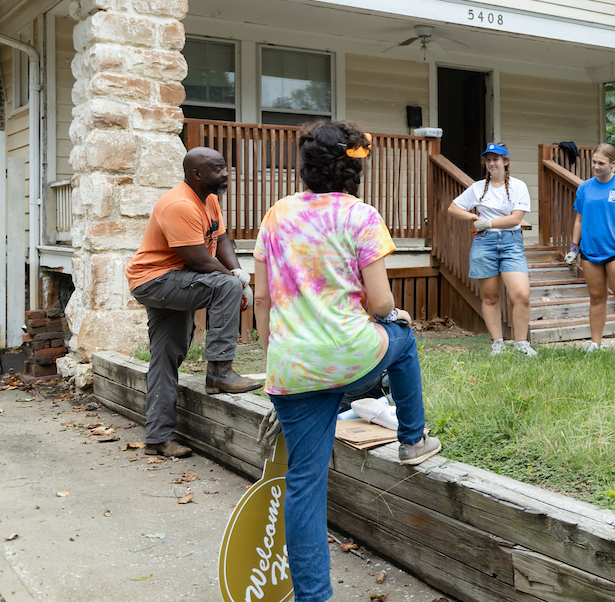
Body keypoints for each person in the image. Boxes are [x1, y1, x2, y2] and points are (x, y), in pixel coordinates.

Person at [254, 120, 440, 602]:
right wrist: (395, 314)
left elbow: (259, 297)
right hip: (353, 357)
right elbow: (380, 303)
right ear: (354, 169)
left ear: (307, 166)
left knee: (304, 484)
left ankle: (312, 597)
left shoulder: (276, 214)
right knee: (402, 335)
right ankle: (413, 438)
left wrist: (273, 352)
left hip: (292, 367)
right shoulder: (361, 216)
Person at [126, 147, 261, 459]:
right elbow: (200, 261)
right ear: (197, 175)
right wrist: (235, 284)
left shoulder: (209, 199)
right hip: (156, 280)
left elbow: (222, 240)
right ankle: (220, 372)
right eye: (218, 169)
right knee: (225, 286)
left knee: (166, 355)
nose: (225, 174)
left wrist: (238, 272)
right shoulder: (179, 204)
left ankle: (158, 438)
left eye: (225, 167)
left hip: (169, 279)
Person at [448, 142, 536, 356]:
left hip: (511, 242)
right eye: (488, 160)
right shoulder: (478, 187)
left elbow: (516, 218)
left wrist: (489, 223)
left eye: (495, 159)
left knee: (522, 295)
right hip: (484, 243)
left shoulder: (518, 186)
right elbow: (453, 208)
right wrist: (474, 217)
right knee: (490, 297)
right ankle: (497, 342)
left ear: (506, 161)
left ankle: (521, 343)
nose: (491, 163)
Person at [564, 144, 615, 357]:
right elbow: (579, 220)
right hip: (590, 251)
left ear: (613, 164)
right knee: (596, 297)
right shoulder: (585, 188)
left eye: (601, 163)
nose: (596, 166)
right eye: (594, 162)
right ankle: (596, 344)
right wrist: (574, 246)